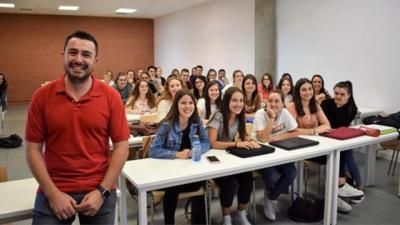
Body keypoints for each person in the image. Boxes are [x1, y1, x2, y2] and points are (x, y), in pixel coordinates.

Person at [25, 30, 130, 225]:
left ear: (95, 60)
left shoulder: (111, 97)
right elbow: (33, 150)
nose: (78, 59)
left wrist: (102, 191)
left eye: (86, 54)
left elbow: (121, 147)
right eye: (72, 52)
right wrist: (53, 194)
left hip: (99, 188)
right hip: (54, 188)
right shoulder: (42, 96)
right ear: (63, 55)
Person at [287, 78, 363, 213]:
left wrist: (313, 131)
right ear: (298, 92)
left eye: (310, 89)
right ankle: (340, 189)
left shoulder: (314, 105)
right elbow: (293, 131)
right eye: (304, 89)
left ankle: (337, 192)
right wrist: (314, 130)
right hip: (298, 147)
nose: (308, 92)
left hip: (315, 145)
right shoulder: (292, 106)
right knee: (340, 152)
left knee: (339, 150)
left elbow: (327, 125)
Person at [149, 89, 210, 225]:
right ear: (176, 105)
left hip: (189, 171)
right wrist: (177, 154)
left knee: (202, 181)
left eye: (190, 103)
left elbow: (207, 142)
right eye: (183, 103)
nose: (187, 106)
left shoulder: (196, 121)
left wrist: (196, 150)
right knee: (173, 186)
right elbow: (153, 150)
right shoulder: (167, 124)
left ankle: (199, 221)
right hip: (169, 173)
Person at [207, 87, 260, 225]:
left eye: (241, 100)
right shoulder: (218, 115)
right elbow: (212, 143)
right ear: (227, 102)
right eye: (235, 100)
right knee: (228, 183)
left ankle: (240, 213)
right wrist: (236, 144)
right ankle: (226, 218)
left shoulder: (239, 116)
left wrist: (251, 140)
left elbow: (244, 136)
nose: (239, 104)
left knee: (247, 179)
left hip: (230, 157)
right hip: (216, 160)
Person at [252, 90, 298, 221]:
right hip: (261, 154)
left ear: (283, 103)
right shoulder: (260, 113)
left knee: (291, 173)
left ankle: (270, 197)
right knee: (272, 176)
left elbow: (295, 132)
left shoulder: (284, 112)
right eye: (270, 101)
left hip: (280, 153)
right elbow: (264, 138)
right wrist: (272, 118)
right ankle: (270, 194)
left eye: (277, 101)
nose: (273, 104)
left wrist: (278, 137)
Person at [321, 81, 364, 198]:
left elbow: (342, 125)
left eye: (342, 94)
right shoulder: (326, 103)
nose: (338, 96)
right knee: (345, 152)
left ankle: (357, 185)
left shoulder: (352, 108)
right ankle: (344, 182)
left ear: (348, 95)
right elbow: (324, 123)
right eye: (336, 93)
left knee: (345, 151)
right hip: (325, 137)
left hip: (340, 137)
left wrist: (339, 107)